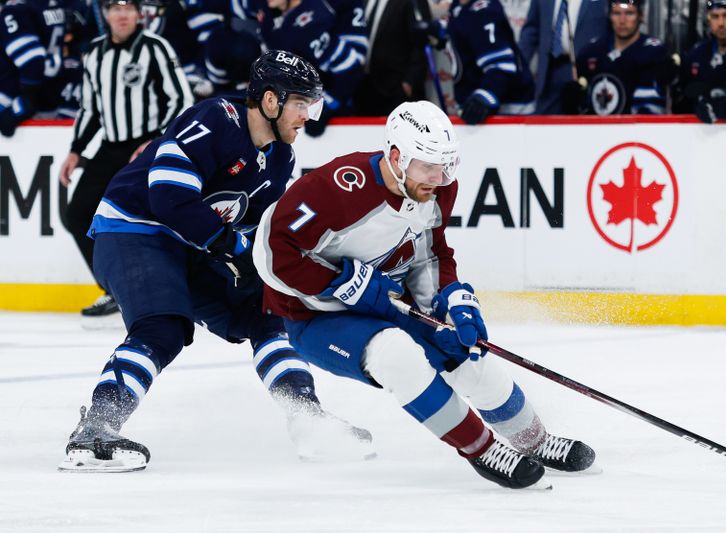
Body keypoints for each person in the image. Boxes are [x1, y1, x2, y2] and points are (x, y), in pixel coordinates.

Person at [58, 49, 374, 472]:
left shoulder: (280, 158)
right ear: (269, 101)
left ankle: (307, 417)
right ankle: (95, 429)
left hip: (195, 245)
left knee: (270, 311)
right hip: (133, 229)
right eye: (301, 104)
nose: (308, 117)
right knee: (164, 325)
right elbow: (168, 196)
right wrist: (234, 249)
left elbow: (258, 232)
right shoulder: (214, 119)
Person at [252, 100, 596, 489]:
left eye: (447, 165)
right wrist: (341, 282)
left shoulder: (439, 188)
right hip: (315, 316)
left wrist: (452, 300)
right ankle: (482, 450)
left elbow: (431, 254)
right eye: (428, 165)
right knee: (396, 354)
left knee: (465, 347)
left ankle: (534, 441)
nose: (439, 176)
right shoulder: (337, 187)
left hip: (385, 298)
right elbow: (271, 251)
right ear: (396, 157)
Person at [58, 0, 194, 320]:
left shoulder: (155, 48)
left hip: (147, 146)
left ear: (138, 14)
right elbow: (91, 108)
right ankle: (114, 291)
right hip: (110, 146)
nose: (122, 15)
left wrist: (157, 140)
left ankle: (177, 289)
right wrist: (76, 149)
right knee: (78, 215)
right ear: (105, 14)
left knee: (157, 219)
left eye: (128, 9)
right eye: (115, 9)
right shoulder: (94, 53)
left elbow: (181, 99)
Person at [261, 0, 368, 137]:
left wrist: (324, 107)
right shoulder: (277, 18)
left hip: (332, 121)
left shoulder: (310, 23)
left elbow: (350, 70)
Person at [574, 0, 675, 115]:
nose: (622, 21)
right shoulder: (592, 52)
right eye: (616, 13)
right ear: (609, 16)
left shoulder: (655, 52)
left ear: (641, 16)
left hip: (641, 129)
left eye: (629, 13)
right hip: (599, 129)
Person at [446, 0, 536, 124]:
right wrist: (438, 31)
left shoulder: (484, 12)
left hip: (507, 111)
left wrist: (485, 95)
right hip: (474, 109)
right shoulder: (458, 6)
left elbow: (501, 66)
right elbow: (464, 33)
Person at [517, 0, 608, 115]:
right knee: (543, 126)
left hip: (586, 73)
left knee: (583, 125)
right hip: (549, 72)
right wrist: (517, 67)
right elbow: (531, 30)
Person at [0, 0, 69, 137]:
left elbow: (32, 62)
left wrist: (20, 107)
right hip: (48, 99)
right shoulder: (54, 5)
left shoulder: (16, 10)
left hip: (13, 102)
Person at [673, 0, 726, 114]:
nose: (721, 23)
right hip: (701, 128)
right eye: (715, 16)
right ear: (708, 19)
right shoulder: (697, 53)